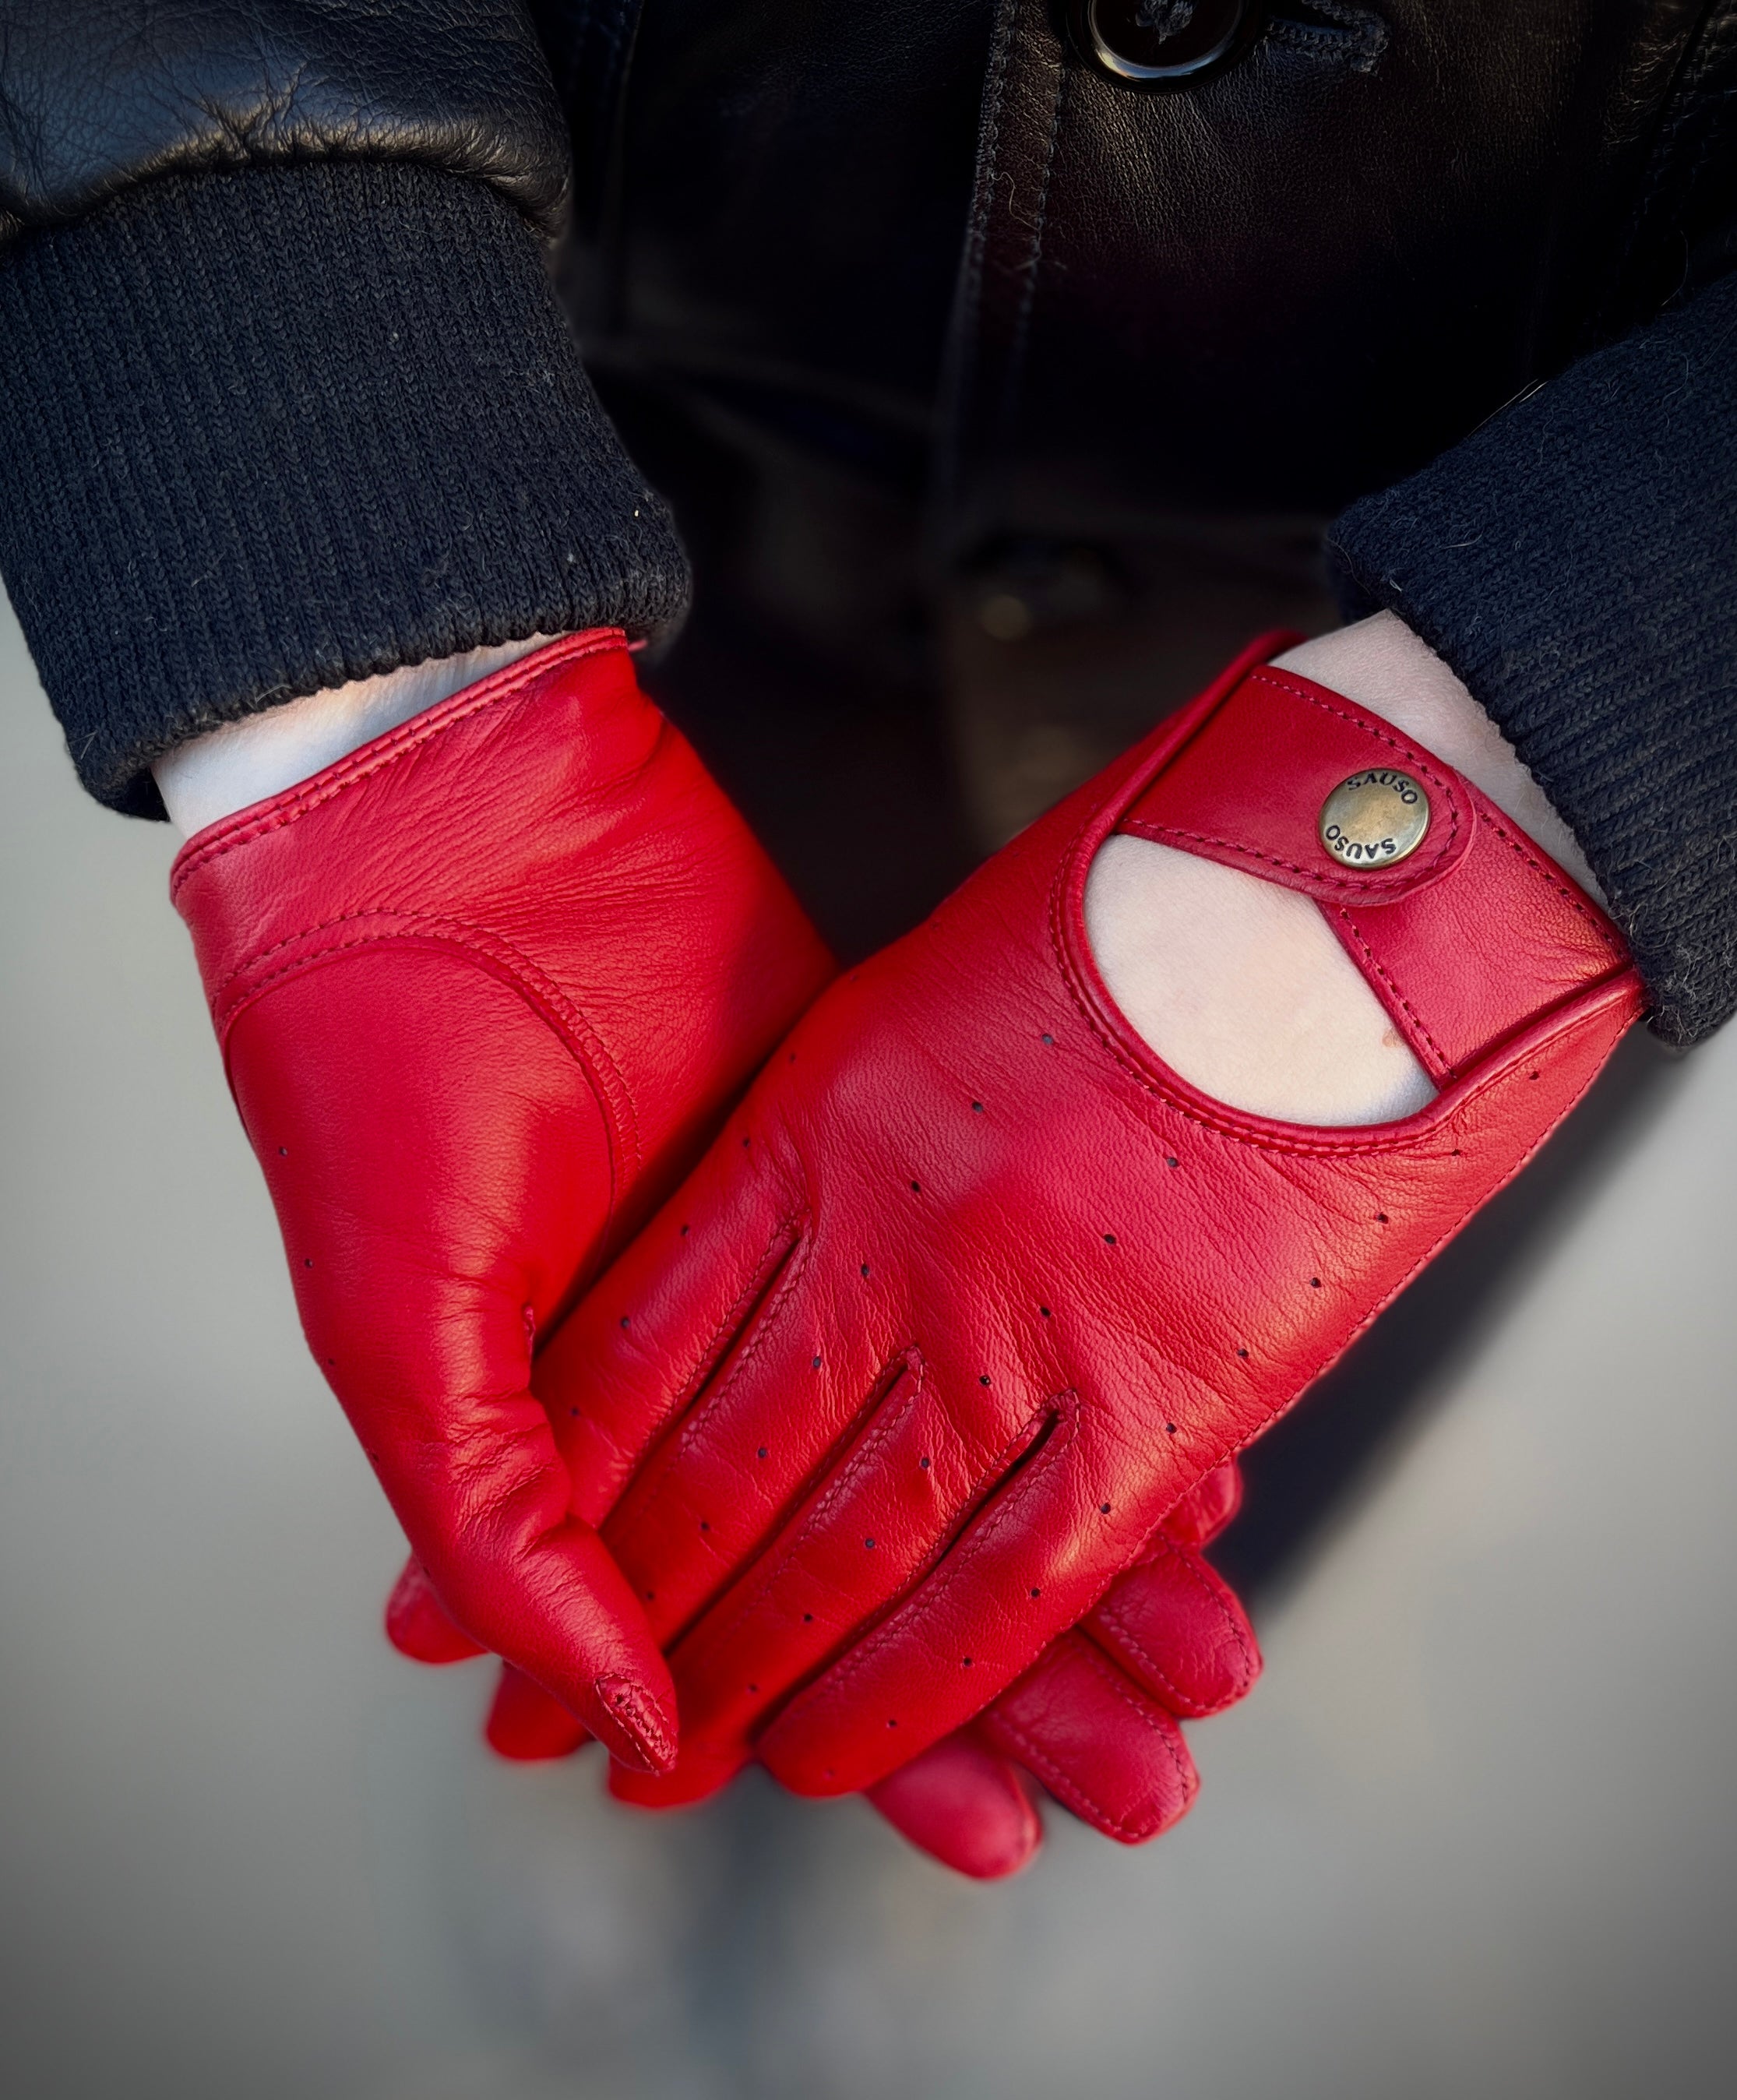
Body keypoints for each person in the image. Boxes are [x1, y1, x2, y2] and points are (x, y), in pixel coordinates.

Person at [1, 1, 1731, 1880]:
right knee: (671, 1464)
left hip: (1508, 672)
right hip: (575, 474)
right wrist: (328, 568)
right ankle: (733, 1821)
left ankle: (801, 1842)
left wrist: (1573, 737)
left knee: (1030, 1533)